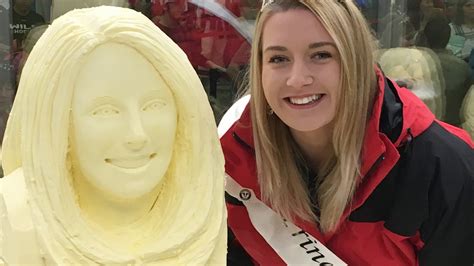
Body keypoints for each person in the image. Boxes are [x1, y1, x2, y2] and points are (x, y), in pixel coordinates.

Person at [219, 0, 474, 265]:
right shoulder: (232, 162)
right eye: (278, 59)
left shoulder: (444, 169)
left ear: (356, 59)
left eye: (321, 55)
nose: (297, 79)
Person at [0, 6, 226, 265]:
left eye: (153, 105)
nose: (137, 135)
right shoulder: (16, 220)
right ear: (57, 121)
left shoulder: (201, 206)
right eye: (105, 111)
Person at [424, 15, 472, 126]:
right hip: (453, 127)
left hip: (423, 126)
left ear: (425, 38)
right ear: (449, 37)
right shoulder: (462, 67)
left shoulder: (416, 63)